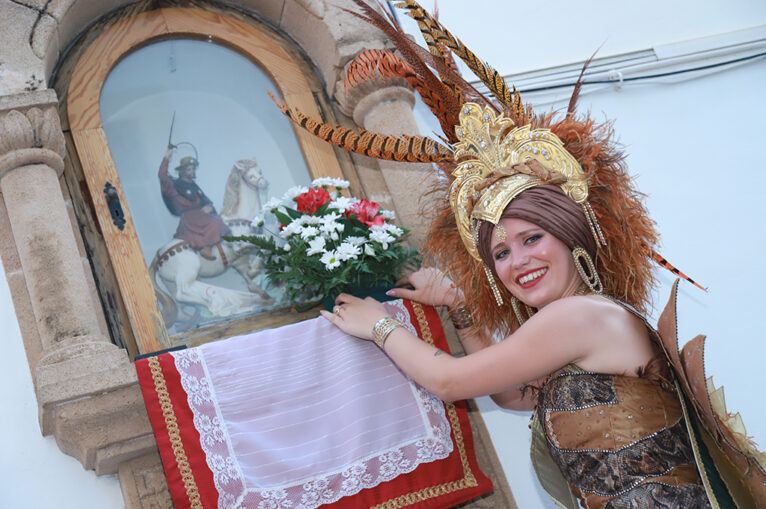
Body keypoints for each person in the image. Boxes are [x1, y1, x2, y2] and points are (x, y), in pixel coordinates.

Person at [276, 2, 765, 506]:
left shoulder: (580, 316)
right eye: (501, 252)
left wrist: (378, 325)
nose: (518, 261)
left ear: (571, 234)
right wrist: (463, 309)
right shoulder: (587, 323)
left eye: (533, 238)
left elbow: (448, 381)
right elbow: (512, 394)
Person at [158, 145, 229, 260]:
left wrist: (209, 207)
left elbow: (205, 200)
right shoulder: (175, 185)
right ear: (182, 171)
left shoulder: (195, 186)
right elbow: (163, 177)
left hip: (201, 215)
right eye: (189, 169)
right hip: (191, 218)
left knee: (221, 221)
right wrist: (167, 157)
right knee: (216, 224)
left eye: (193, 169)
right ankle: (206, 248)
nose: (192, 172)